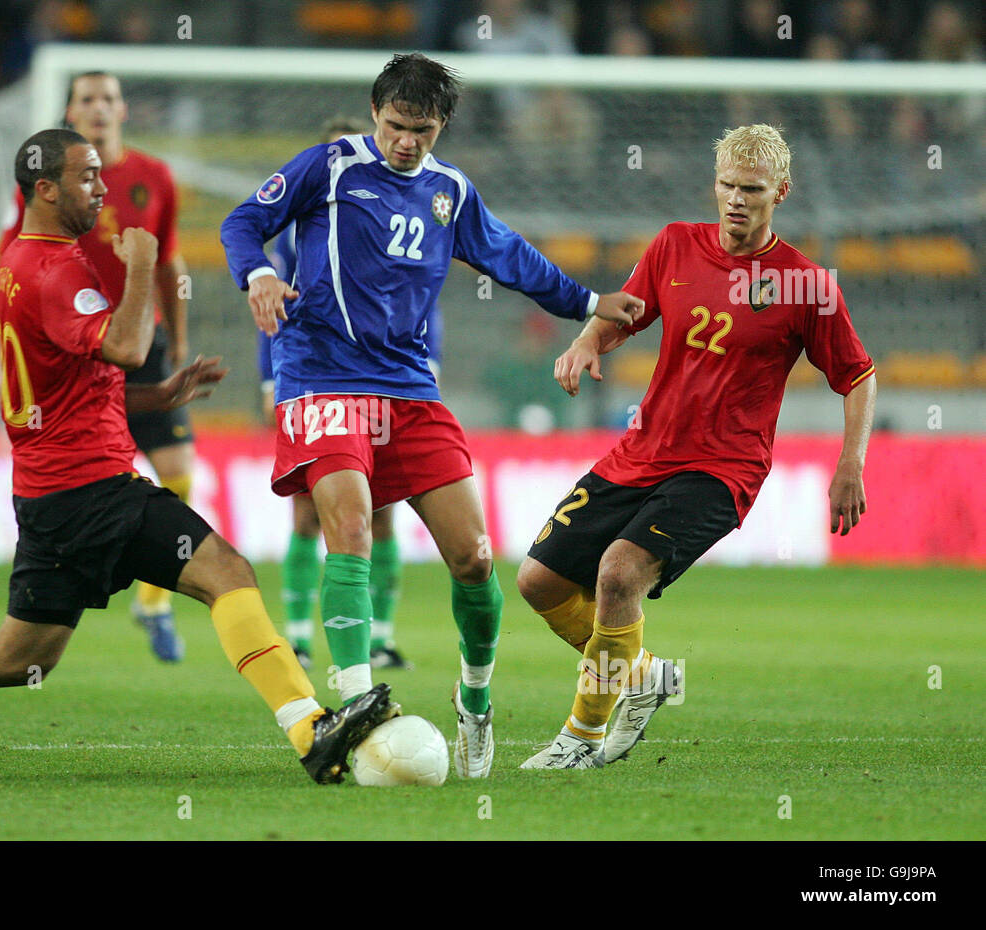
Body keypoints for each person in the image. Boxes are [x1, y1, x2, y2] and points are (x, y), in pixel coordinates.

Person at [0, 129, 397, 786]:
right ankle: (311, 730)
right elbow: (127, 346)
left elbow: (70, 379)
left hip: (52, 495)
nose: (104, 190)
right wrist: (140, 265)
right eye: (88, 177)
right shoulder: (55, 271)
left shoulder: (21, 262)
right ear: (46, 189)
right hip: (94, 489)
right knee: (226, 572)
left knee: (19, 657)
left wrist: (155, 395)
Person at [221, 53, 643, 779]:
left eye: (422, 130)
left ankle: (474, 700)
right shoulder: (329, 166)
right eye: (395, 125)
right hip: (322, 379)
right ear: (375, 113)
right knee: (350, 526)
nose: (406, 142)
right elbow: (242, 222)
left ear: (441, 125)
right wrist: (258, 273)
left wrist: (586, 302)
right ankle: (357, 699)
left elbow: (508, 256)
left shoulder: (450, 190)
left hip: (409, 388)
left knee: (474, 557)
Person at [516, 124, 877, 769]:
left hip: (721, 468)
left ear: (781, 193)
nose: (737, 199)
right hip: (642, 451)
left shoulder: (804, 285)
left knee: (618, 574)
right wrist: (586, 342)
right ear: (715, 185)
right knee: (538, 582)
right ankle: (645, 675)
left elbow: (858, 376)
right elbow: (626, 313)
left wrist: (850, 463)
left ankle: (581, 738)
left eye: (753, 190)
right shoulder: (675, 245)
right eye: (728, 186)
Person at [0, 71, 195, 664]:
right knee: (104, 472)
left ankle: (154, 602)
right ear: (71, 112)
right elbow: (16, 260)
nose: (100, 108)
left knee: (178, 469)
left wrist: (179, 335)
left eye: (109, 98)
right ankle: (108, 559)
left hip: (140, 336)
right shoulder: (51, 189)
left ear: (123, 109)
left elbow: (169, 259)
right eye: (88, 99)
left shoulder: (154, 176)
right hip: (75, 348)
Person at [258, 115, 431, 672]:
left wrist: (429, 367)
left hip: (385, 384)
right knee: (308, 516)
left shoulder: (396, 221)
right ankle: (299, 637)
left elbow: (423, 300)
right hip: (316, 384)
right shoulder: (298, 229)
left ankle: (380, 640)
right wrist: (269, 380)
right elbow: (274, 305)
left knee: (380, 516)